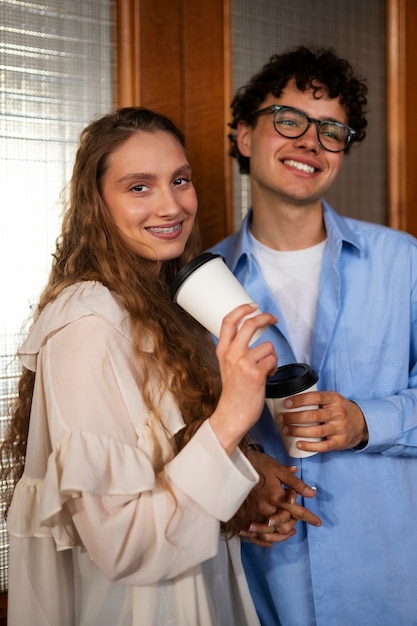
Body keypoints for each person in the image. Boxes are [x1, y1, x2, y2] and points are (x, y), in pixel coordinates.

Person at [0, 106, 307, 626]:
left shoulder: (159, 301)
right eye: (138, 187)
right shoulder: (88, 324)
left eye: (179, 180)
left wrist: (245, 482)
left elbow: (167, 462)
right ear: (96, 203)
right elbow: (126, 547)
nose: (171, 205)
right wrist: (234, 410)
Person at [210, 45, 417, 625]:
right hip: (262, 589)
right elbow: (172, 425)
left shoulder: (403, 262)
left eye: (332, 130)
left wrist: (367, 420)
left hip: (393, 583)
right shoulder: (197, 286)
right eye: (289, 120)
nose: (311, 141)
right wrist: (241, 471)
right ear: (245, 137)